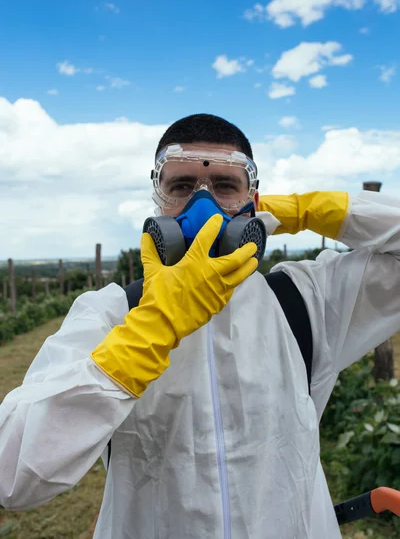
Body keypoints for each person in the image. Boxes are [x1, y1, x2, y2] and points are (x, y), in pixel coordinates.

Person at [0, 113, 400, 539]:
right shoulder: (111, 315)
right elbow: (13, 475)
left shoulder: (307, 301)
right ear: (159, 202)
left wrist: (309, 211)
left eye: (226, 187)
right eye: (181, 186)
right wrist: (151, 329)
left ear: (255, 202)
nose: (202, 205)